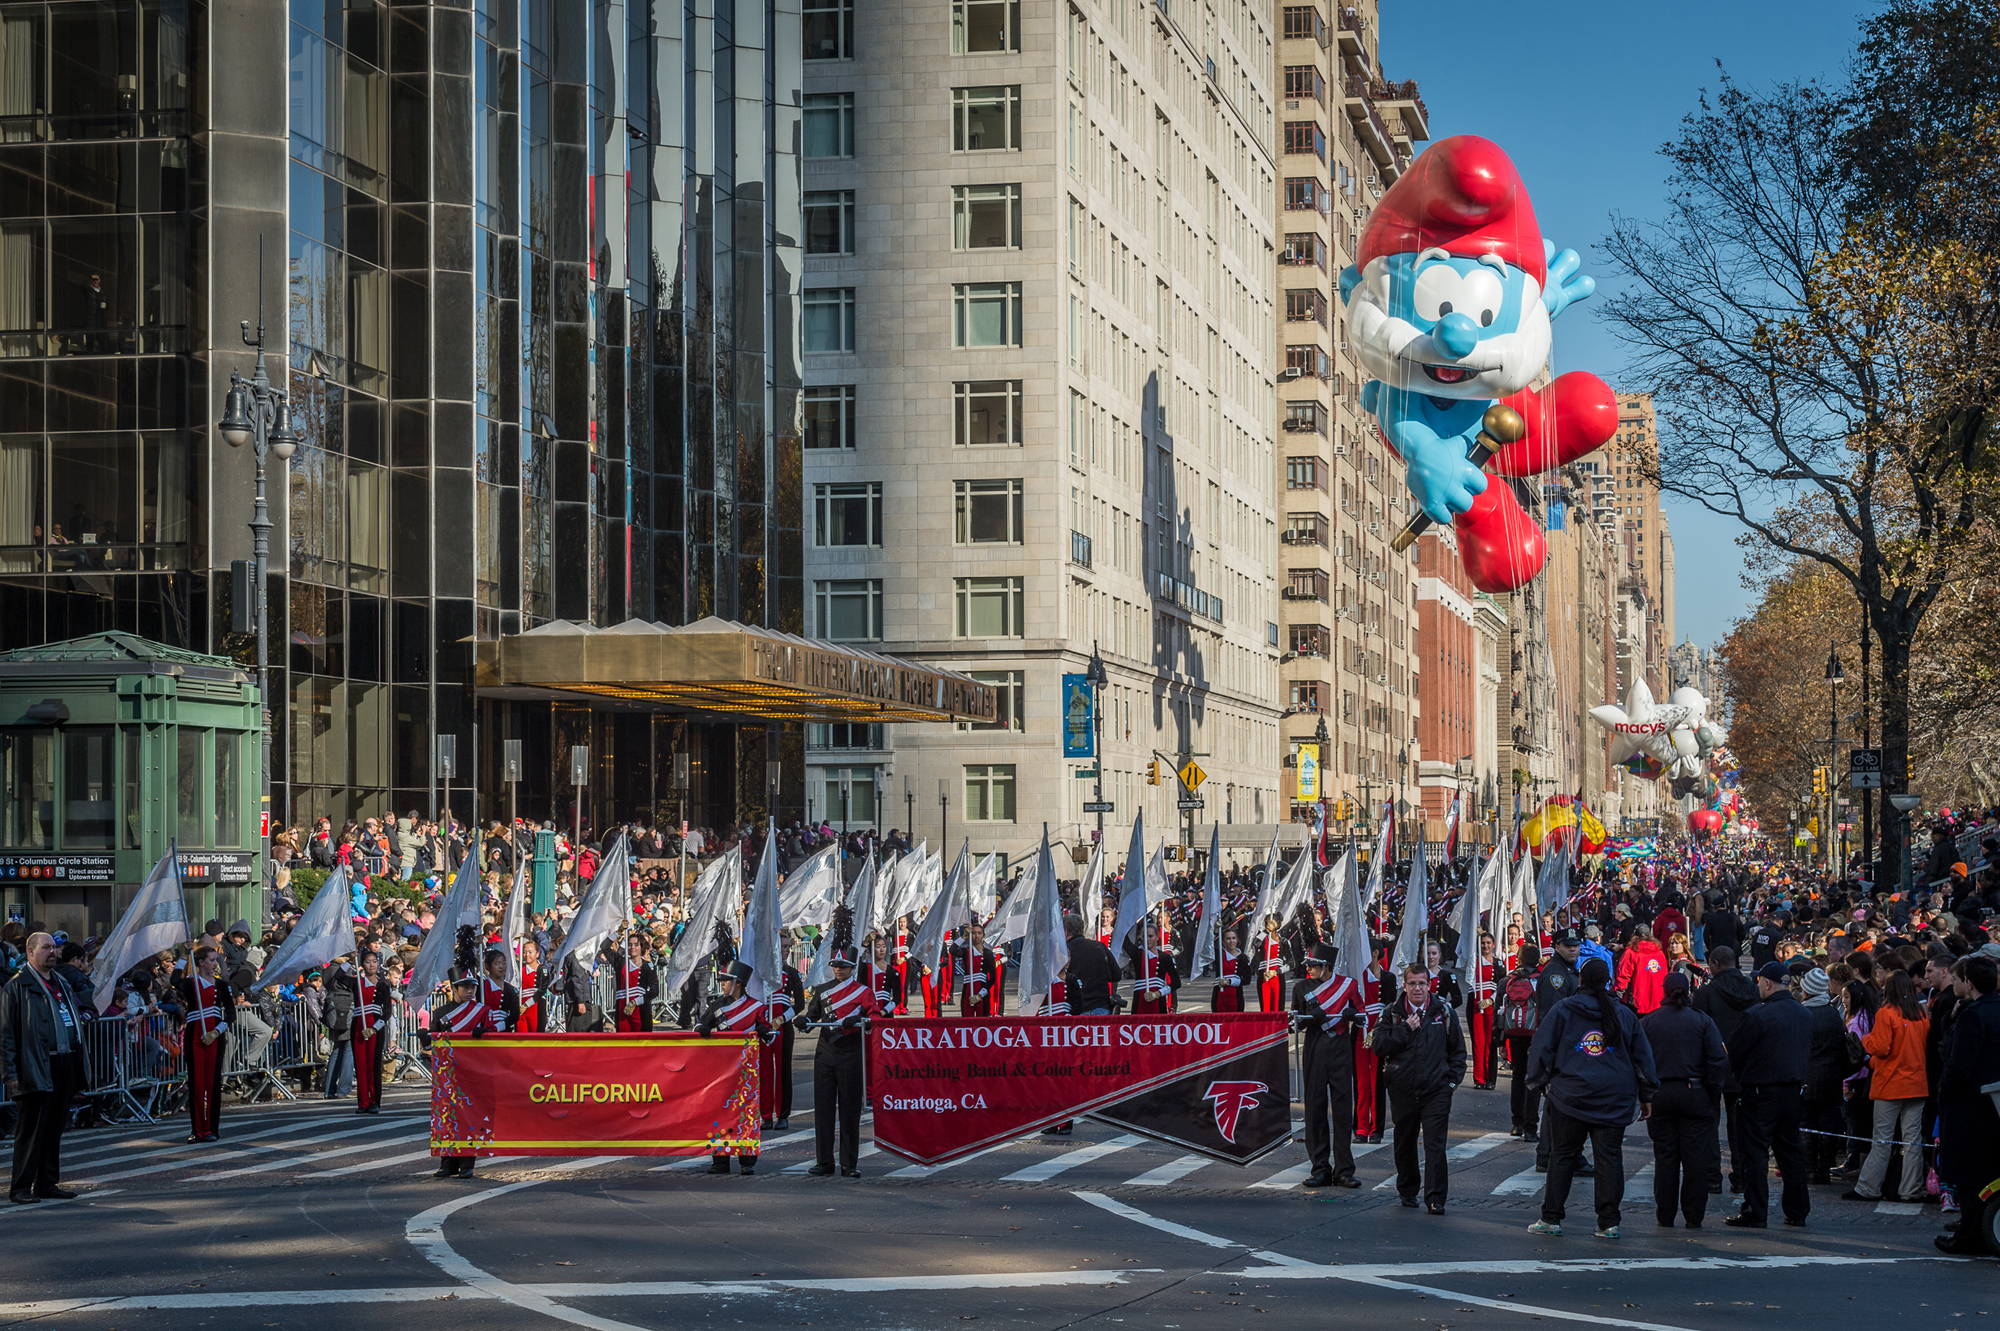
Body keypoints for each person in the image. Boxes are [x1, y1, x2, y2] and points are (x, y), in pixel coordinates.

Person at [1525, 957, 1657, 1239]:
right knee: (1609, 1158)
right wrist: (1646, 1094)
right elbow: (1643, 1059)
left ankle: (1551, 1217)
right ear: (1608, 981)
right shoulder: (1623, 1014)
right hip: (1613, 1097)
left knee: (1562, 1155)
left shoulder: (1565, 1009)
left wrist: (1539, 1082)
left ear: (1581, 980)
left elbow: (1541, 1046)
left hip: (1570, 1095)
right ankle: (1608, 1222)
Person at [1724, 960, 1815, 1228]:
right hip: (1791, 1091)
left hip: (1760, 1091)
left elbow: (1735, 1052)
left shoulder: (1757, 1015)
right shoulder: (1804, 1014)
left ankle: (1755, 1210)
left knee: (1755, 1153)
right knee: (1790, 1152)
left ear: (1766, 983)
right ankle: (1797, 1210)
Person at [1371, 960, 1465, 1214]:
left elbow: (1458, 1052)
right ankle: (1408, 1190)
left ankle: (1435, 1198)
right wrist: (1404, 1030)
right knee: (1404, 1142)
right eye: (1412, 984)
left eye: (1422, 983)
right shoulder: (1392, 1012)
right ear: (1404, 985)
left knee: (1435, 1145)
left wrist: (1451, 1083)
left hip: (1436, 1090)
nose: (1417, 989)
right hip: (1402, 1089)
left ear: (1429, 984)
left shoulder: (1443, 1011)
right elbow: (1378, 1045)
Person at [1, 932, 87, 1203]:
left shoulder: (62, 983)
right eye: (46, 948)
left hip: (64, 1061)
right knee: (31, 1130)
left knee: (53, 1127)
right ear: (30, 951)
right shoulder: (17, 987)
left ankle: (47, 1183)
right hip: (35, 1063)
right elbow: (5, 1034)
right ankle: (20, 1188)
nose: (52, 952)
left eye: (54, 948)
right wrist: (10, 1073)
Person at [1640, 972, 1727, 1228]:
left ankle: (1665, 1215)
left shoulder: (1650, 1022)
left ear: (1664, 991)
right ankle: (1694, 1216)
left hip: (1660, 1094)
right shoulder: (1702, 1021)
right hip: (1695, 1093)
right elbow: (1717, 1059)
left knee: (1665, 1157)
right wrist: (1713, 1091)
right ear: (1689, 991)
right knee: (1695, 1159)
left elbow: (1639, 1060)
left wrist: (1644, 1093)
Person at [1845, 968, 1930, 1203]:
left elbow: (1880, 1047)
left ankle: (1868, 1188)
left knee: (1882, 1139)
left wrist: (1865, 1039)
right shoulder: (1920, 1014)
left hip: (1891, 1083)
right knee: (1912, 1140)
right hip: (1916, 1083)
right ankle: (1910, 1189)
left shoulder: (1887, 1013)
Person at [1934, 954, 2000, 1255]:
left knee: (1971, 1176)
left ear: (1969, 983)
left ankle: (1970, 1235)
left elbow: (1958, 1065)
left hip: (1971, 1106)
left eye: (1959, 980)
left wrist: (1944, 1093)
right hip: (1993, 1103)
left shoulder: (1973, 1015)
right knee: (1989, 1172)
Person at [801, 946, 881, 1177]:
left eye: (843, 966)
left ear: (852, 968)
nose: (838, 969)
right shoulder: (823, 990)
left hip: (850, 1051)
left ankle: (849, 1163)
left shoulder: (863, 992)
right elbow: (813, 1015)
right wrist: (804, 1021)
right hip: (825, 1051)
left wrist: (860, 1018)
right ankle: (824, 1161)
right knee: (823, 1109)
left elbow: (875, 1017)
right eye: (835, 966)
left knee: (849, 1109)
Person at [1293, 944, 1363, 1188]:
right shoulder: (1301, 987)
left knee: (1343, 1111)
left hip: (1341, 1050)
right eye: (1308, 964)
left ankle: (1344, 1170)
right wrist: (1308, 1019)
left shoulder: (1348, 985)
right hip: (1314, 1048)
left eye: (1314, 965)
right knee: (1315, 1110)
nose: (1309, 968)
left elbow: (1360, 1012)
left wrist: (1352, 1015)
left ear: (1327, 967)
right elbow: (1294, 1022)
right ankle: (1320, 1168)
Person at [1691, 946, 1758, 1193]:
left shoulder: (1706, 993)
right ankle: (1740, 1178)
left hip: (1713, 1065)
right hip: (1744, 1064)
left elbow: (1696, 1029)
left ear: (1715, 964)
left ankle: (1712, 1177)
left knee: (1709, 1123)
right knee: (1739, 1125)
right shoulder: (1752, 989)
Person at [697, 962, 768, 1176]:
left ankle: (747, 1161)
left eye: (726, 981)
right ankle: (720, 1160)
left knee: (745, 1114)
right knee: (720, 1113)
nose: (723, 984)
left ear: (738, 983)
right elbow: (698, 1026)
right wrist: (703, 1028)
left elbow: (770, 1035)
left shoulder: (757, 1007)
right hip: (721, 1070)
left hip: (746, 1072)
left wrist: (765, 1030)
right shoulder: (717, 1006)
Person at [430, 975, 497, 1178]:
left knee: (470, 1116)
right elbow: (431, 1045)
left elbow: (496, 1034)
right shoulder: (441, 1013)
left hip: (474, 1071)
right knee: (448, 1116)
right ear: (454, 988)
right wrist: (425, 1036)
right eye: (465, 987)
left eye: (472, 988)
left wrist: (485, 1032)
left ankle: (468, 1163)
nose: (470, 991)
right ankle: (447, 1163)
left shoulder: (482, 1011)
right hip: (449, 1072)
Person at [1533, 930, 1584, 1172]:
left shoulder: (1568, 971)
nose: (1573, 949)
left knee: (1557, 1104)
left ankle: (1547, 1154)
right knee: (1564, 1103)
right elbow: (1555, 1017)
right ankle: (1563, 1155)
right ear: (1557, 946)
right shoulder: (1556, 975)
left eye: (1576, 945)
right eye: (1567, 945)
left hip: (1565, 1046)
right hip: (1561, 1047)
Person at [173, 946, 232, 1143]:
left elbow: (230, 1015)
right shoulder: (191, 984)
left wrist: (217, 1032)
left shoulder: (221, 985)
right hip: (195, 1035)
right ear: (201, 962)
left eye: (216, 960)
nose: (215, 964)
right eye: (212, 960)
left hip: (214, 1035)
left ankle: (211, 1129)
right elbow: (174, 981)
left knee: (212, 1083)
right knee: (197, 1082)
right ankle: (197, 1129)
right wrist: (183, 956)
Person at [338, 951, 389, 1114]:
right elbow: (338, 977)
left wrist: (375, 1028)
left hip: (374, 1027)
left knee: (373, 1066)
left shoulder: (383, 984)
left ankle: (374, 1101)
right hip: (358, 1026)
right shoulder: (357, 983)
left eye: (374, 961)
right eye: (367, 962)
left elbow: (387, 1011)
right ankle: (363, 1102)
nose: (372, 965)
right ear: (362, 964)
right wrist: (349, 960)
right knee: (360, 1066)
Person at [1501, 943, 1543, 1137]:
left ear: (1518, 959)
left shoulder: (1508, 980)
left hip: (1514, 1034)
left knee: (1517, 1077)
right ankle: (1531, 1127)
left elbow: (1499, 1012)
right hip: (1535, 1035)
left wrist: (1500, 1040)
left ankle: (1516, 1123)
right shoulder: (1541, 980)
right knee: (1532, 1079)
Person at [1062, 914, 1121, 1016]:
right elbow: (1116, 975)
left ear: (1065, 932)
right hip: (1101, 1005)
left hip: (1076, 1008)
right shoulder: (1099, 947)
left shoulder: (1063, 952)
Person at [1614, 925, 1669, 1015]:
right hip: (1658, 1004)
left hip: (1636, 1004)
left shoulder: (1631, 953)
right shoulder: (1660, 953)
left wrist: (1616, 996)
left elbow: (1623, 977)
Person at [1468, 933, 1499, 1089]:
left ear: (1493, 944)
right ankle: (1479, 1079)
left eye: (1488, 943)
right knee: (1478, 1042)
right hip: (1476, 1006)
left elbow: (1502, 986)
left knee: (1490, 1042)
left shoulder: (1499, 964)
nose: (1485, 946)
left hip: (1491, 1006)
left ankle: (1490, 1078)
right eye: (1482, 943)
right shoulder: (1473, 962)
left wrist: (1491, 1000)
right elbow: (1470, 982)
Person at [614, 933, 658, 1032]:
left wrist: (636, 1002)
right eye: (629, 944)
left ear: (642, 947)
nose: (632, 947)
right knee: (624, 1043)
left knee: (641, 1043)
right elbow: (605, 947)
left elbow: (655, 991)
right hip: (622, 1012)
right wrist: (619, 931)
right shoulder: (621, 963)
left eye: (636, 944)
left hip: (640, 1010)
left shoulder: (648, 967)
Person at [480, 949, 520, 1032]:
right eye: (497, 963)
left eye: (504, 963)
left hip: (504, 1032)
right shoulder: (481, 987)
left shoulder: (510, 989)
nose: (501, 966)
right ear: (487, 965)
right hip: (484, 1031)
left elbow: (515, 1015)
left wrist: (498, 1027)